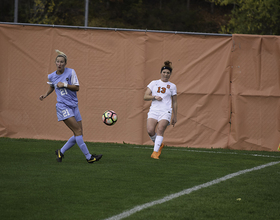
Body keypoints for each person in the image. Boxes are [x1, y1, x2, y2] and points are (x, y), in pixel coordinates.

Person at [39, 50, 102, 163]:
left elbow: (77, 88)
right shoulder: (51, 76)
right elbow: (52, 87)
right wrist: (45, 95)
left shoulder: (71, 72)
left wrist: (64, 85)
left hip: (74, 106)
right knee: (77, 131)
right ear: (55, 63)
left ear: (65, 63)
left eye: (62, 62)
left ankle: (61, 152)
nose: (59, 64)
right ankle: (89, 158)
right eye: (58, 61)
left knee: (79, 133)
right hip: (63, 107)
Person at [144, 60, 177, 159]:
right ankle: (159, 144)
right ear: (161, 73)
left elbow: (175, 102)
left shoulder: (172, 86)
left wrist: (175, 116)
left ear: (170, 74)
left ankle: (155, 152)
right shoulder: (154, 83)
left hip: (166, 111)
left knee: (160, 129)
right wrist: (154, 97)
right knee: (150, 130)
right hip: (154, 110)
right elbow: (145, 96)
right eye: (164, 72)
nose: (166, 74)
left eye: (168, 73)